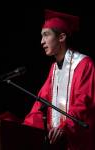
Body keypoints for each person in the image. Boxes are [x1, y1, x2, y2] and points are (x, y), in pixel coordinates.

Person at [23, 9, 95, 150]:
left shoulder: (84, 64)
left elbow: (83, 104)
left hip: (79, 142)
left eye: (46, 35)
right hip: (58, 143)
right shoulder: (54, 70)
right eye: (41, 36)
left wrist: (64, 127)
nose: (42, 42)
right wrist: (24, 128)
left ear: (61, 37)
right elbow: (41, 103)